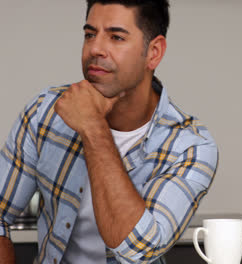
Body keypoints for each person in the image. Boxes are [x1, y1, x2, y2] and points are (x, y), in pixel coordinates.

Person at [0, 0, 218, 263]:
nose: (95, 49)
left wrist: (92, 126)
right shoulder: (44, 112)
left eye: (116, 37)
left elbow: (139, 249)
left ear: (154, 52)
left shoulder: (190, 146)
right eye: (90, 34)